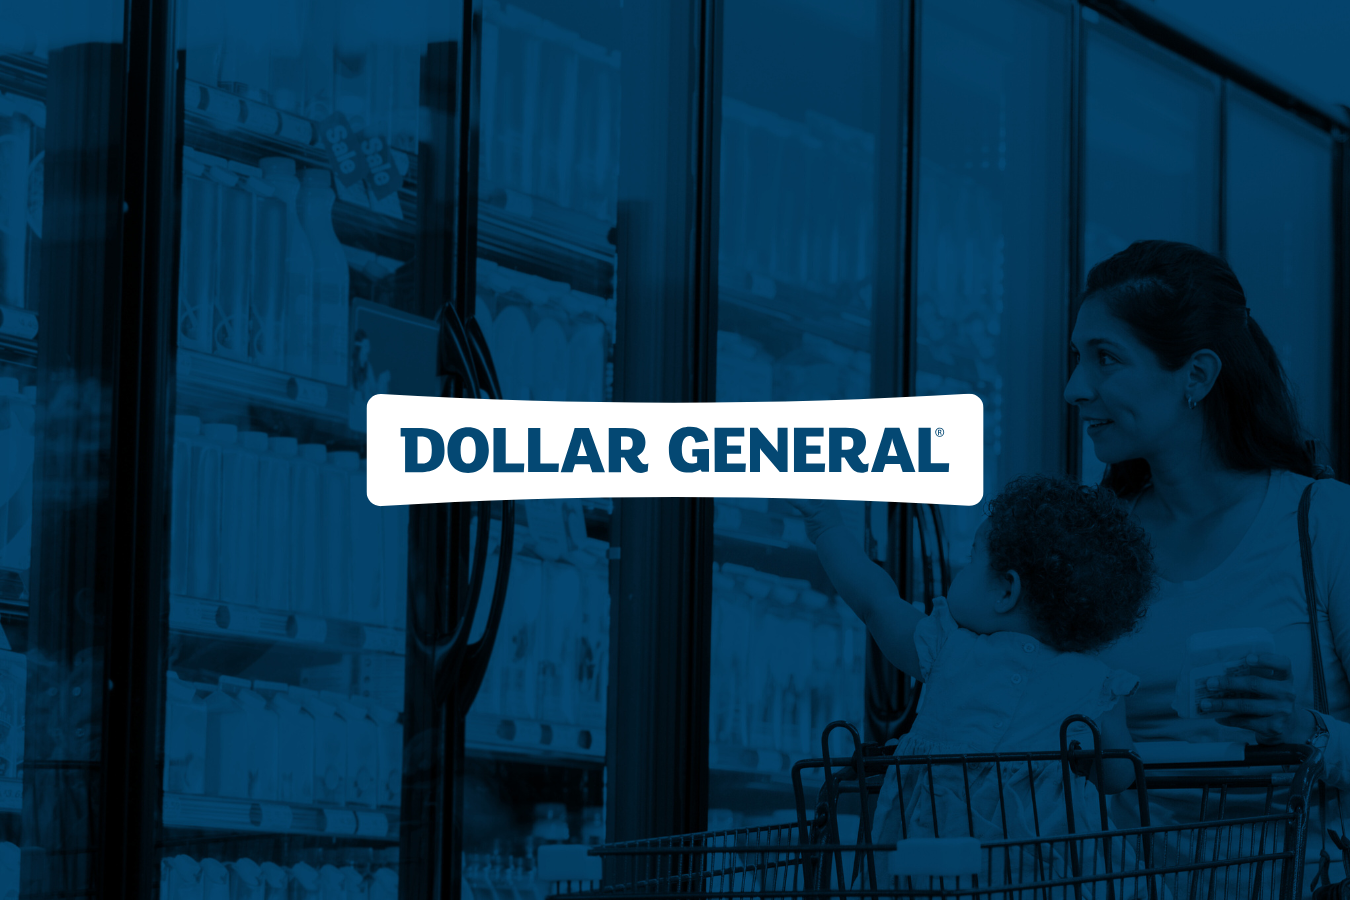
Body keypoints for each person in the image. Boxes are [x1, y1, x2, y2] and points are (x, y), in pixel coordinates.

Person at [1065, 239, 1350, 894]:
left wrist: (1301, 730)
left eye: (1105, 358)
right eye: (1077, 358)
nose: (1075, 388)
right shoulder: (1096, 542)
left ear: (1195, 376)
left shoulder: (1323, 524)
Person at [795, 474, 1154, 891]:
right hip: (1044, 876)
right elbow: (1117, 775)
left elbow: (876, 602)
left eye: (971, 557)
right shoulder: (1095, 681)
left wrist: (825, 527)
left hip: (928, 867)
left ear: (1007, 591)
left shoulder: (951, 649)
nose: (959, 570)